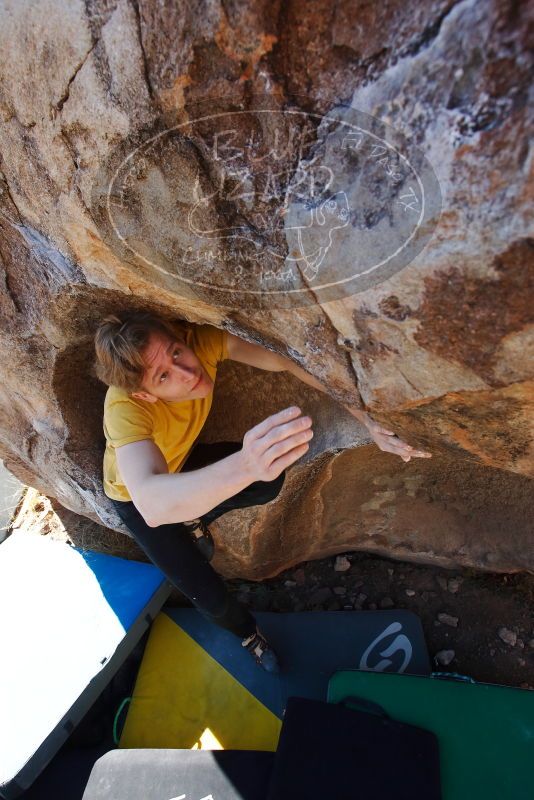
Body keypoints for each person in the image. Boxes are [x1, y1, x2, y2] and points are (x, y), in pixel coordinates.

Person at [94, 311, 431, 672]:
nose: (188, 373)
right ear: (146, 394)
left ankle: (194, 514)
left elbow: (286, 357)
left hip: (181, 465)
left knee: (268, 481)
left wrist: (368, 419)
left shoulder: (198, 342)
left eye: (176, 353)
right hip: (137, 498)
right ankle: (248, 635)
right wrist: (245, 465)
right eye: (164, 376)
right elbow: (152, 504)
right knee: (210, 597)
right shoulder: (124, 407)